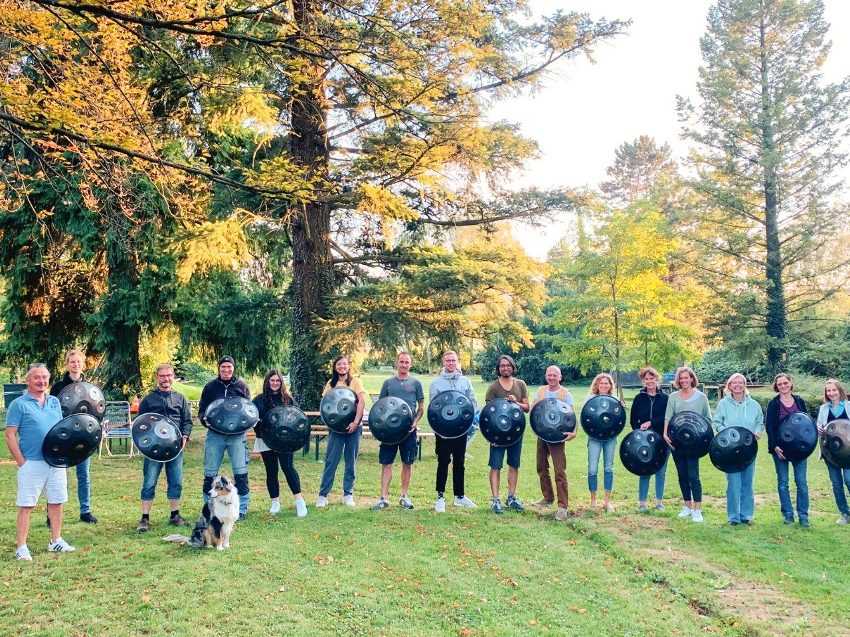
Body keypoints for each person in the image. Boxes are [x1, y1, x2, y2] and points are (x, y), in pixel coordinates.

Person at [5, 364, 75, 561]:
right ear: (28, 380)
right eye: (37, 378)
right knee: (27, 505)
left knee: (56, 502)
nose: (41, 381)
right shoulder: (19, 404)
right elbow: (10, 436)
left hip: (55, 462)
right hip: (32, 463)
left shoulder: (53, 401)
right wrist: (22, 463)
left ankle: (56, 541)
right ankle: (21, 547)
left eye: (44, 377)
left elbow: (61, 429)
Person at [136, 364, 192, 532]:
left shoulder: (180, 398)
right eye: (162, 376)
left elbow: (187, 421)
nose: (166, 379)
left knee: (175, 481)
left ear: (173, 377)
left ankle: (175, 515)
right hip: (154, 450)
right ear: (157, 378)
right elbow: (140, 424)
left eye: (169, 376)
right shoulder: (148, 399)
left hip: (175, 448)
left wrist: (185, 436)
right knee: (149, 482)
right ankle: (145, 519)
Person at [198, 355, 251, 519]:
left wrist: (251, 421)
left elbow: (248, 410)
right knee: (210, 474)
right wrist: (204, 420)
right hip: (215, 435)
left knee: (241, 473)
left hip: (236, 436)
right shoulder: (210, 387)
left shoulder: (242, 386)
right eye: (223, 367)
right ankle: (210, 508)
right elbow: (202, 409)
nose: (226, 370)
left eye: (229, 367)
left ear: (233, 368)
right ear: (219, 369)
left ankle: (241, 509)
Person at [49, 349, 97, 524]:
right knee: (56, 476)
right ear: (67, 364)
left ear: (82, 364)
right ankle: (51, 514)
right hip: (62, 436)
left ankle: (85, 511)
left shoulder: (90, 387)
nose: (75, 365)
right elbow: (50, 411)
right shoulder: (57, 387)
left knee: (84, 475)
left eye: (78, 362)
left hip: (83, 437)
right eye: (72, 362)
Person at [371, 352, 424, 510]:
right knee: (386, 463)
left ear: (410, 364)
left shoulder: (416, 383)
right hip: (389, 432)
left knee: (407, 463)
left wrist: (415, 422)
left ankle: (404, 496)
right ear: (397, 363)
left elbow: (421, 408)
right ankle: (383, 497)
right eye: (401, 362)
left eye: (407, 362)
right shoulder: (388, 383)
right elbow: (380, 407)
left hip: (408, 431)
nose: (404, 365)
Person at [252, 370, 307, 517]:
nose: (275, 383)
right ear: (267, 382)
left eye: (278, 380)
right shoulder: (259, 399)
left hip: (285, 441)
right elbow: (251, 416)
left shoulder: (287, 399)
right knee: (271, 470)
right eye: (272, 380)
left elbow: (296, 416)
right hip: (265, 439)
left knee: (288, 468)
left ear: (281, 382)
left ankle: (299, 501)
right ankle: (275, 503)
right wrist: (255, 421)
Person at [712, 373, 764, 526]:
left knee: (747, 482)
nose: (737, 385)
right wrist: (725, 434)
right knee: (733, 483)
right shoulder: (723, 403)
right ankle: (733, 517)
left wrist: (758, 431)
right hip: (730, 450)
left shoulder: (754, 404)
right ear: (729, 386)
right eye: (734, 383)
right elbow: (717, 421)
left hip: (748, 449)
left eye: (740, 382)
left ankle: (746, 515)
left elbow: (760, 422)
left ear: (744, 385)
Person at [429, 350, 478, 512]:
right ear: (443, 362)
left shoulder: (465, 381)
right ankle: (440, 497)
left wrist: (468, 422)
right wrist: (438, 429)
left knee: (460, 462)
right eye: (448, 360)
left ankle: (460, 496)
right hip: (443, 431)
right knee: (443, 461)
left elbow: (472, 402)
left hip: (461, 430)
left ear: (457, 362)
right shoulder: (436, 383)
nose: (451, 363)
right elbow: (433, 408)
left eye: (453, 360)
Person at [663, 366, 711, 523]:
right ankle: (687, 506)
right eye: (681, 378)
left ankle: (698, 509)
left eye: (686, 377)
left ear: (692, 379)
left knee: (693, 475)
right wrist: (665, 433)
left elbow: (708, 420)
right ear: (678, 380)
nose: (683, 380)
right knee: (682, 474)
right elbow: (668, 418)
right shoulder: (673, 397)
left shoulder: (702, 397)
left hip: (694, 444)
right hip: (677, 442)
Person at [317, 355, 365, 507]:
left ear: (348, 366)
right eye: (339, 364)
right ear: (335, 367)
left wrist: (355, 422)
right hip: (336, 429)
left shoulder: (355, 381)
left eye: (344, 364)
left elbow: (361, 402)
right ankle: (323, 495)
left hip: (354, 427)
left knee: (350, 461)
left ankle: (348, 494)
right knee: (331, 461)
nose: (342, 367)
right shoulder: (331, 384)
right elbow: (325, 404)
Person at [484, 355, 530, 514]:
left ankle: (511, 497)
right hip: (497, 434)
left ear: (512, 367)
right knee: (496, 465)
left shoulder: (520, 384)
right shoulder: (494, 387)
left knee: (513, 464)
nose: (505, 368)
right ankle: (495, 500)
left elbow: (527, 407)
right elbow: (487, 413)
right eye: (502, 366)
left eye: (508, 365)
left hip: (516, 432)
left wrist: (515, 402)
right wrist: (490, 437)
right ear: (499, 368)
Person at [765, 373, 810, 527]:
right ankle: (788, 514)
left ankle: (803, 516)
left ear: (791, 383)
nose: (783, 386)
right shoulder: (773, 404)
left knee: (801, 483)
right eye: (779, 384)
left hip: (799, 450)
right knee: (783, 483)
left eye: (785, 383)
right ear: (776, 387)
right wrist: (774, 447)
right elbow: (769, 427)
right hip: (780, 450)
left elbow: (807, 424)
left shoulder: (799, 401)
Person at [531, 365, 575, 521]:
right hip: (542, 434)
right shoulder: (541, 391)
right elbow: (534, 408)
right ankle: (548, 497)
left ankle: (562, 506)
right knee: (541, 467)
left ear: (560, 377)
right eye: (549, 375)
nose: (551, 377)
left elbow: (572, 415)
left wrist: (574, 432)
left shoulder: (566, 394)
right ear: (545, 376)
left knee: (559, 471)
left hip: (557, 437)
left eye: (554, 375)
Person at [629, 367, 669, 512]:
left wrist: (652, 423)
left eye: (652, 378)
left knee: (661, 471)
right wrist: (639, 433)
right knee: (645, 470)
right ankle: (642, 503)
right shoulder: (639, 398)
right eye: (646, 379)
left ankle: (659, 502)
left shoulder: (665, 398)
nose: (649, 381)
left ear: (657, 379)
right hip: (644, 441)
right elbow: (633, 419)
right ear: (643, 381)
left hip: (662, 440)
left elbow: (667, 418)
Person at [584, 373, 622, 511]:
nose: (604, 385)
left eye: (607, 383)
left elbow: (619, 419)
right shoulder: (590, 399)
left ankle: (607, 502)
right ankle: (593, 500)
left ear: (610, 385)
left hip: (610, 439)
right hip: (594, 439)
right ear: (597, 385)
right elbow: (585, 418)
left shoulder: (615, 399)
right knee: (592, 468)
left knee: (608, 468)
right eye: (602, 383)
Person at [816, 379, 850, 524]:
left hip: (848, 453)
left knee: (849, 480)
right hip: (830, 454)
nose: (831, 393)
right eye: (828, 391)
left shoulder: (848, 406)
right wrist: (819, 428)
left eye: (834, 390)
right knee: (836, 483)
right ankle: (844, 513)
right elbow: (819, 426)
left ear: (840, 390)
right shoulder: (824, 408)